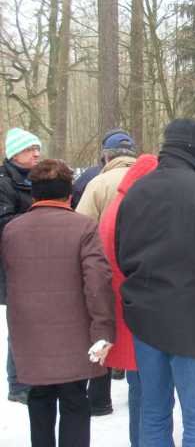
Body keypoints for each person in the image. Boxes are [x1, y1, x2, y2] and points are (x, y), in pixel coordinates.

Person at [116, 118, 195, 447]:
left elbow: (122, 253)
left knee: (153, 414)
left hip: (143, 315)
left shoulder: (136, 190)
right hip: (190, 317)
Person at [1, 159, 115, 447]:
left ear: (34, 193)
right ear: (70, 195)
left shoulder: (12, 231)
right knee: (76, 399)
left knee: (38, 398)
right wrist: (103, 329)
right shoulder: (84, 227)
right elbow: (98, 281)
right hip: (74, 332)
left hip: (30, 332)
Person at [76, 129, 136, 416]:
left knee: (103, 327)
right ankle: (139, 387)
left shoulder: (98, 183)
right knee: (139, 331)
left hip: (104, 269)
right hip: (141, 272)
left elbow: (81, 227)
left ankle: (100, 400)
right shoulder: (150, 181)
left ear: (106, 156)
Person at [100, 154, 158, 447]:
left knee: (140, 390)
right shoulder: (133, 209)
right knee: (148, 396)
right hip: (138, 314)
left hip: (123, 308)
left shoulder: (117, 205)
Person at [0, 127, 41, 404]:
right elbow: (4, 223)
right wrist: (38, 222)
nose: (36, 153)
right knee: (20, 321)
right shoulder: (4, 183)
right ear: (15, 154)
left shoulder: (32, 178)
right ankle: (17, 383)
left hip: (33, 260)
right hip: (12, 262)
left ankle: (29, 376)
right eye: (29, 149)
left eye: (37, 148)